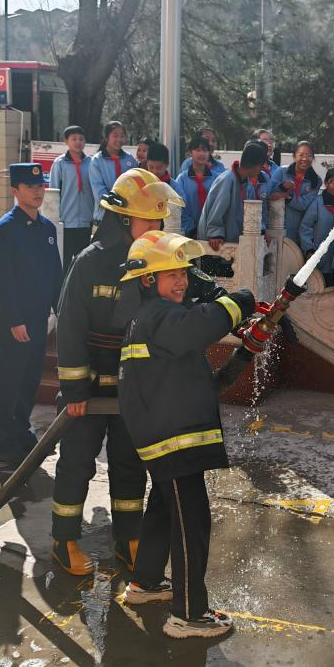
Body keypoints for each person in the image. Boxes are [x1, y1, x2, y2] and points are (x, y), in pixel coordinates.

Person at [116, 230, 256, 638]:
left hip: (171, 440)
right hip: (172, 441)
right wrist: (241, 301)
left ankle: (145, 584)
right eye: (171, 275)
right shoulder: (158, 317)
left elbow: (206, 385)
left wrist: (245, 352)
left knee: (163, 511)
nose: (181, 281)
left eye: (183, 273)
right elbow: (203, 323)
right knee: (191, 524)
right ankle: (189, 614)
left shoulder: (161, 319)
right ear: (147, 280)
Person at [53, 168, 184, 575]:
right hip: (90, 392)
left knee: (130, 464)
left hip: (133, 391)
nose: (156, 229)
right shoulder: (89, 263)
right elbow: (70, 327)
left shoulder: (153, 265)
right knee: (77, 464)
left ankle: (128, 538)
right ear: (124, 220)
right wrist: (75, 391)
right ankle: (64, 539)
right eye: (149, 221)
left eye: (160, 221)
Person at [0, 163, 63, 470]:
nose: (37, 191)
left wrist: (62, 311)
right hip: (13, 322)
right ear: (15, 191)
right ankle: (6, 445)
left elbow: (55, 275)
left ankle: (22, 432)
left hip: (37, 319)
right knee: (8, 383)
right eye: (30, 187)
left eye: (40, 186)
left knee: (29, 380)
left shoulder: (46, 229)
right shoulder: (5, 230)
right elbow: (3, 280)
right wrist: (14, 320)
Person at [201, 142, 271, 248]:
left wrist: (261, 232)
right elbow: (216, 209)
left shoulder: (248, 184)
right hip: (216, 242)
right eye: (262, 167)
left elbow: (252, 212)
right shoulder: (226, 179)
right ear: (257, 167)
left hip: (234, 242)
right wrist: (215, 234)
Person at [48, 125, 94, 274]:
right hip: (66, 221)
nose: (78, 142)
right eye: (74, 139)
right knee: (65, 262)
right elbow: (53, 192)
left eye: (81, 139)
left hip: (86, 221)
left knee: (83, 262)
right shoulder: (59, 164)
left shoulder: (91, 163)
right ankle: (64, 288)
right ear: (66, 141)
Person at [174, 134, 221, 238]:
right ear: (190, 152)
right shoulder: (182, 179)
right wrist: (191, 230)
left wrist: (215, 231)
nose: (202, 153)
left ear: (209, 153)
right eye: (198, 150)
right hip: (189, 234)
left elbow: (220, 206)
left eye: (205, 150)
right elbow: (180, 207)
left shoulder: (217, 179)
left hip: (213, 235)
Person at [87, 121, 137, 221]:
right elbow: (99, 193)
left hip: (127, 216)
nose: (119, 139)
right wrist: (117, 202)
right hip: (105, 217)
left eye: (122, 136)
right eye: (115, 135)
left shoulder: (129, 159)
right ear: (106, 138)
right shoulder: (97, 161)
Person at [299, 166, 334, 258]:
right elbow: (305, 227)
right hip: (318, 254)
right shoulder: (317, 203)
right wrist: (309, 249)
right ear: (326, 183)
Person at [280, 140, 322, 241]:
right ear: (294, 156)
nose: (305, 159)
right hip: (277, 227)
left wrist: (287, 197)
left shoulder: (316, 180)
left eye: (309, 155)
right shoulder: (282, 172)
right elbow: (271, 192)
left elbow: (304, 204)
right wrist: (281, 187)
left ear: (313, 158)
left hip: (299, 231)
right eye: (301, 155)